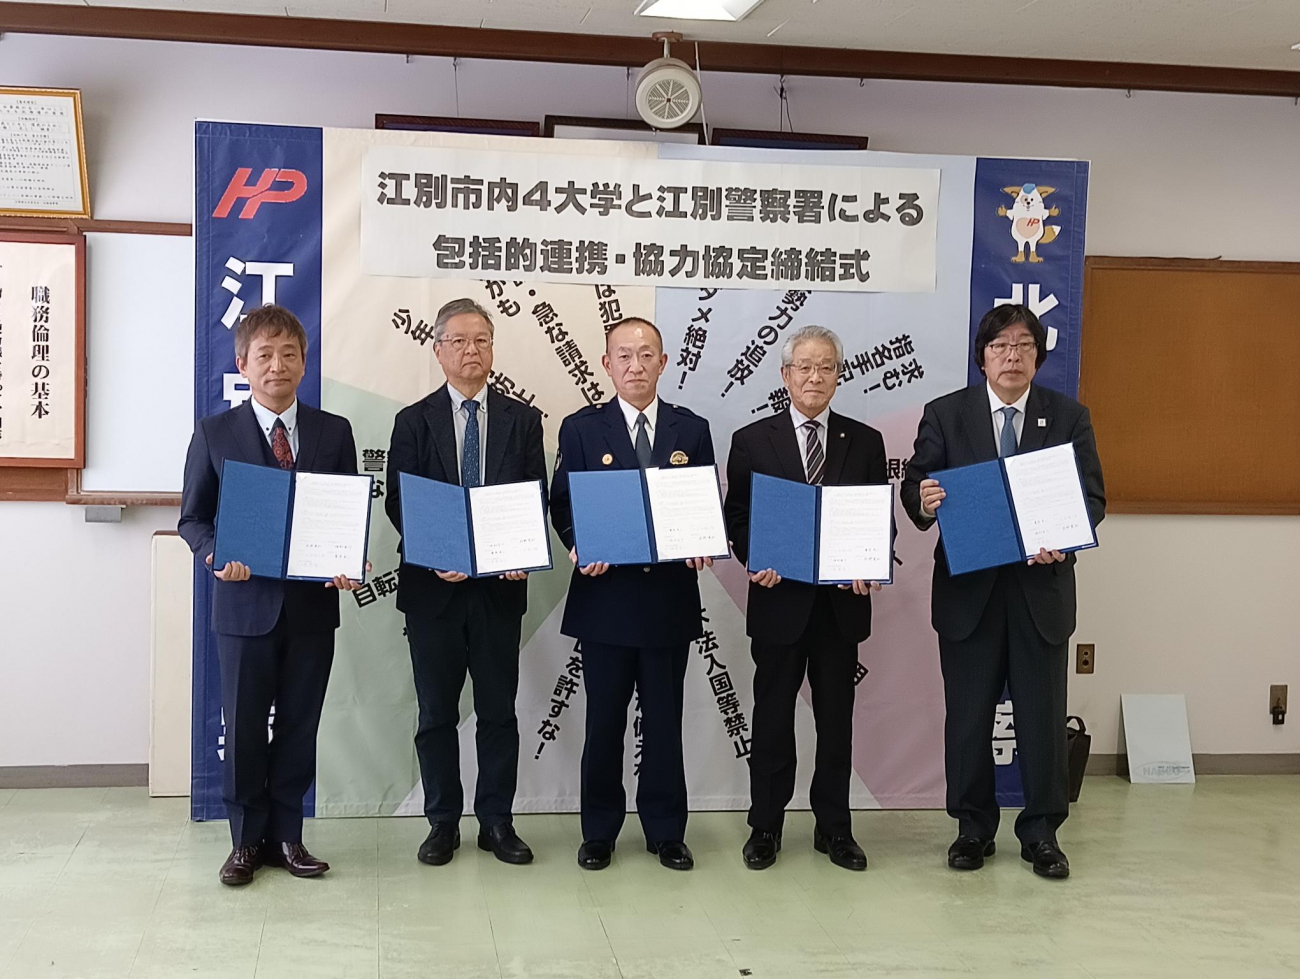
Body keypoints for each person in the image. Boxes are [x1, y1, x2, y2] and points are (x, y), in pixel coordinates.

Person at [901, 304, 1105, 880]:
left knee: (1043, 719)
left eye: (1023, 346)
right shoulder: (946, 414)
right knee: (968, 719)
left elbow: (1091, 499)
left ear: (1038, 357)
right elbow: (916, 485)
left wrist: (1065, 538)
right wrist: (925, 501)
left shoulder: (1068, 417)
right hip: (969, 595)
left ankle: (1042, 833)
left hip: (1041, 592)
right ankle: (972, 829)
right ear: (982, 357)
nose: (1011, 356)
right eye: (999, 346)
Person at [179, 304, 365, 886]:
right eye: (265, 354)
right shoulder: (215, 433)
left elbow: (344, 513)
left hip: (312, 608)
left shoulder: (335, 432)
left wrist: (347, 559)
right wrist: (215, 555)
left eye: (289, 354)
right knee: (243, 726)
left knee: (299, 726)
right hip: (242, 606)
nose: (277, 365)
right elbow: (192, 519)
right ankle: (244, 842)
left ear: (304, 362)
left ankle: (289, 836)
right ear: (242, 364)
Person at [385, 298, 547, 867]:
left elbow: (533, 495)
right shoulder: (413, 420)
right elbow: (401, 500)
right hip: (434, 591)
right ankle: (442, 822)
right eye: (458, 340)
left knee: (499, 711)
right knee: (436, 714)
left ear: (492, 348)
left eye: (481, 340)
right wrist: (437, 554)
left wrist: (519, 549)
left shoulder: (522, 421)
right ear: (438, 351)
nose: (471, 350)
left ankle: (497, 821)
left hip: (499, 590)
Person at [549, 317, 715, 872]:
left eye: (646, 355)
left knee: (664, 722)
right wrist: (577, 543)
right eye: (624, 355)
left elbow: (703, 502)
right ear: (607, 364)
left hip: (668, 600)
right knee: (604, 723)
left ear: (663, 363)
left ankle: (666, 831)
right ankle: (598, 832)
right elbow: (562, 502)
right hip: (605, 600)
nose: (635, 365)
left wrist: (702, 541)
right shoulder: (580, 429)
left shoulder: (691, 429)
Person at [723, 325, 887, 872]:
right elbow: (738, 517)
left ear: (839, 376)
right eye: (805, 366)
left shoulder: (864, 441)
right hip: (779, 603)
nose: (815, 377)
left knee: (836, 724)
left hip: (841, 608)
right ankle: (765, 826)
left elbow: (877, 518)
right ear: (785, 375)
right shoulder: (752, 440)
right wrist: (755, 556)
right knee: (772, 720)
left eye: (826, 367)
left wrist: (868, 563)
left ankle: (834, 827)